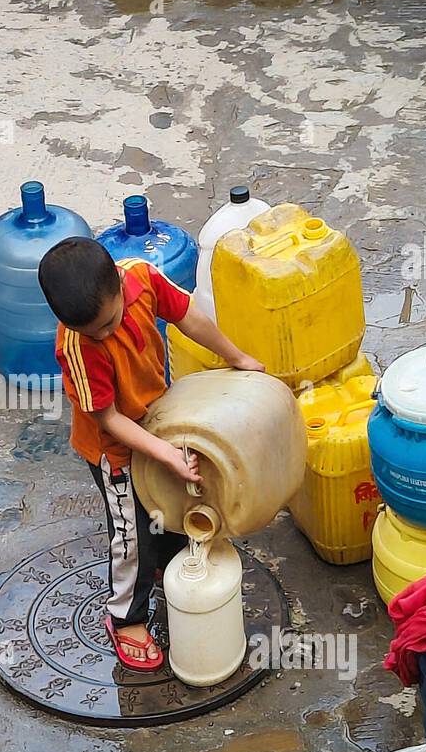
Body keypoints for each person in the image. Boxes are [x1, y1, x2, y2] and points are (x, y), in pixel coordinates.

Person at [39, 237, 265, 670]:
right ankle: (125, 618)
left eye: (111, 321)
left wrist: (238, 358)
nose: (107, 334)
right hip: (116, 451)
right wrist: (163, 452)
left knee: (170, 501)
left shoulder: (141, 277)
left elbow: (188, 316)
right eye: (96, 332)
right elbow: (107, 419)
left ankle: (162, 564)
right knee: (132, 532)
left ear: (121, 286)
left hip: (157, 416)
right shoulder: (78, 347)